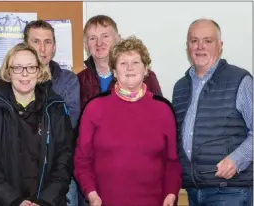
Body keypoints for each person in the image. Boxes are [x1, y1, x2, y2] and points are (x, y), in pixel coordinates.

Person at [74, 36, 182, 206]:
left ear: (146, 69)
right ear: (114, 72)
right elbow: (82, 160)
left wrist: (171, 194)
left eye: (136, 62)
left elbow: (172, 162)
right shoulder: (94, 108)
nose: (130, 68)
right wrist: (91, 194)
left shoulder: (163, 110)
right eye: (123, 63)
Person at [0, 42, 74, 206]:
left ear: (39, 71)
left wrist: (45, 200)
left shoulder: (55, 106)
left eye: (31, 67)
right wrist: (14, 201)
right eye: (18, 68)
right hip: (2, 201)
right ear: (8, 71)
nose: (25, 74)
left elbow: (65, 158)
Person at [172, 18, 253, 206]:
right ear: (188, 46)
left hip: (229, 191)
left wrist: (237, 159)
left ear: (220, 45)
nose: (200, 47)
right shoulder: (180, 87)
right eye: (194, 41)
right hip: (192, 191)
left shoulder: (240, 80)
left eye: (207, 41)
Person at [23, 20, 80, 206]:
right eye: (36, 41)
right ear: (26, 45)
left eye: (47, 42)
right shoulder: (14, 79)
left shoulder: (68, 80)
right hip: (22, 173)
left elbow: (67, 124)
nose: (42, 48)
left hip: (59, 171)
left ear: (54, 47)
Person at [78, 15, 162, 110]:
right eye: (92, 38)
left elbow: (160, 115)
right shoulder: (78, 81)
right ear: (86, 45)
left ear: (118, 39)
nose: (99, 43)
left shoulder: (145, 78)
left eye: (105, 36)